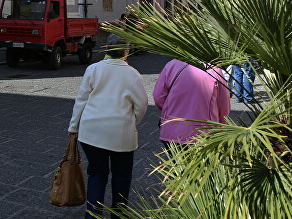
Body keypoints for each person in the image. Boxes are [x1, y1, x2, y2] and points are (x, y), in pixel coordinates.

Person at [68, 33, 148, 219]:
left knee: (97, 174)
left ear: (107, 51)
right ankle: (118, 215)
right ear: (126, 52)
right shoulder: (132, 74)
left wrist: (73, 127)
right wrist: (132, 121)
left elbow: (81, 100)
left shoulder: (93, 69)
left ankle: (93, 215)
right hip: (120, 133)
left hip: (91, 132)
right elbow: (142, 105)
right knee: (121, 176)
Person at [154, 59, 230, 146]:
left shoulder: (172, 65)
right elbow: (224, 104)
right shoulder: (214, 70)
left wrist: (171, 109)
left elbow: (158, 98)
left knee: (175, 159)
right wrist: (221, 125)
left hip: (172, 130)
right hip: (204, 132)